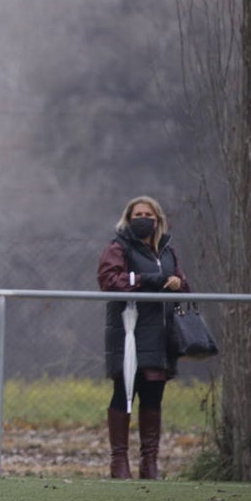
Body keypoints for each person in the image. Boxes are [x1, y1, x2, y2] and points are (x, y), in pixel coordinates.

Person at [96, 195, 188, 480]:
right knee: (124, 392)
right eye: (138, 214)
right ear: (128, 217)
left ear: (158, 219)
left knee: (153, 396)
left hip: (161, 335)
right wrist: (146, 280)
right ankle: (119, 463)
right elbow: (109, 280)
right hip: (129, 331)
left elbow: (184, 285)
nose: (143, 219)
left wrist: (178, 284)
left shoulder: (168, 251)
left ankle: (150, 464)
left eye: (148, 214)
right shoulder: (118, 246)